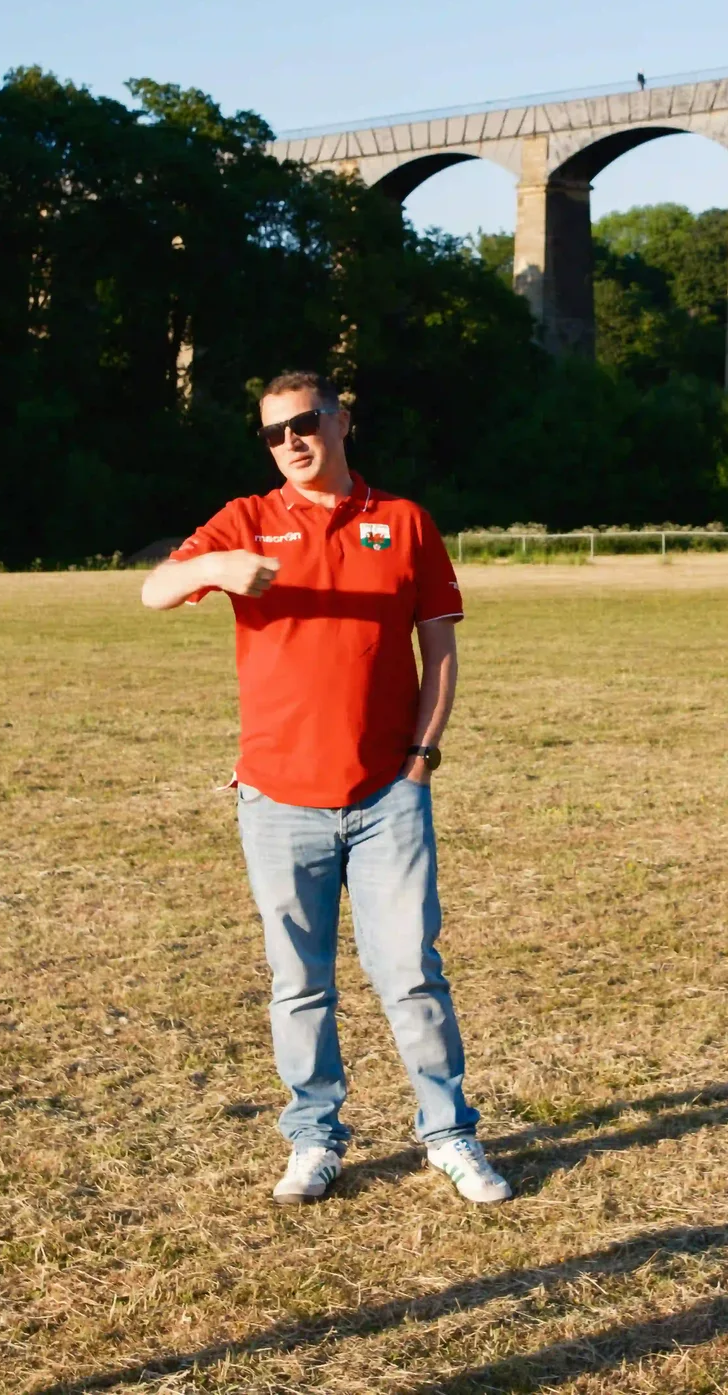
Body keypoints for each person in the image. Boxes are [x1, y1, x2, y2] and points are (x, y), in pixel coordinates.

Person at [140, 372, 510, 1207]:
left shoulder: (404, 521)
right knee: (298, 981)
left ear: (342, 420)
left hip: (387, 795)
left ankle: (449, 1133)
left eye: (306, 423)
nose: (292, 442)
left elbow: (440, 651)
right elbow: (153, 589)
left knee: (411, 971)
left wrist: (421, 756)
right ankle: (314, 1138)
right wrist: (226, 566)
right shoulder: (248, 518)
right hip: (277, 799)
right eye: (274, 433)